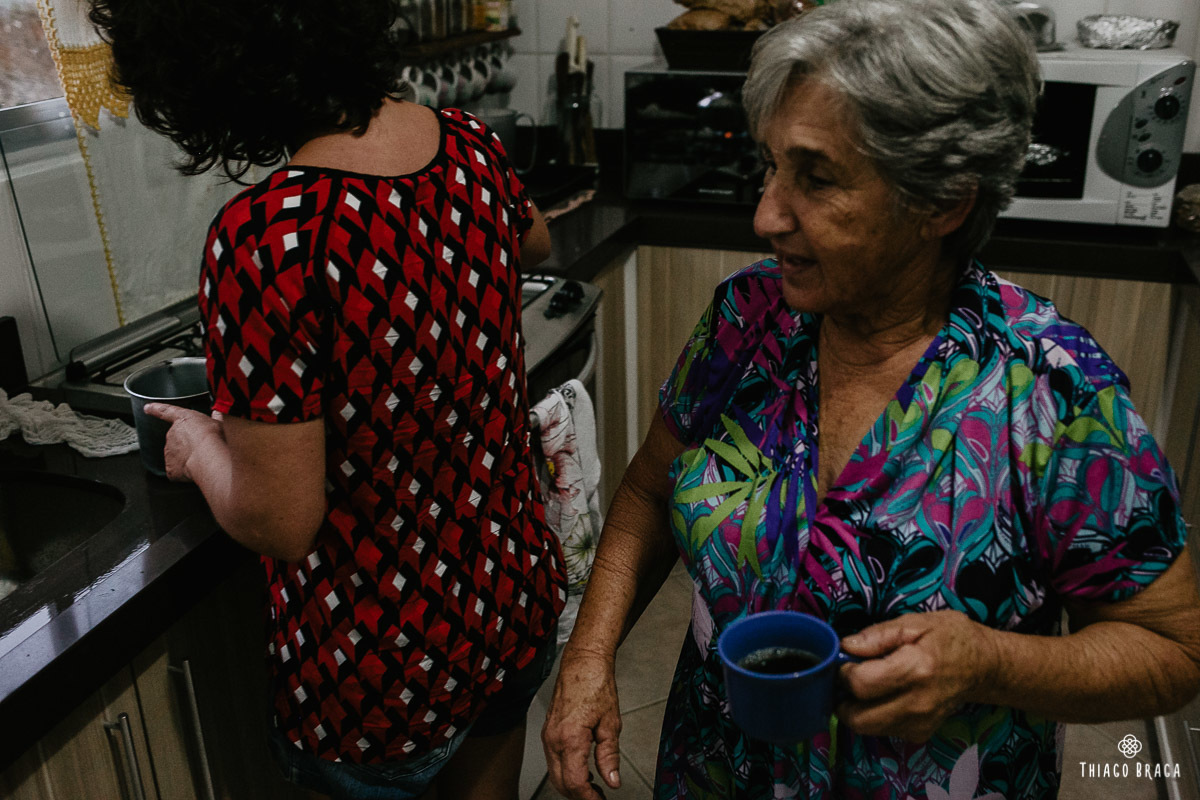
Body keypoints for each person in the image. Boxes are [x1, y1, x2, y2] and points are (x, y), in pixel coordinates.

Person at [541, 0, 1200, 797]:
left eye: (815, 178)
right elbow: (649, 491)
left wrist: (992, 663)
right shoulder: (746, 322)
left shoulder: (1054, 389)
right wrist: (588, 657)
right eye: (771, 165)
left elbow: (1172, 649)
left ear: (943, 202)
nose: (765, 214)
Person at [88, 1, 566, 798]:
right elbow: (535, 241)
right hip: (507, 600)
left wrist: (203, 447)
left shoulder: (267, 236)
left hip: (383, 673)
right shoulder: (470, 144)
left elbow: (280, 520)